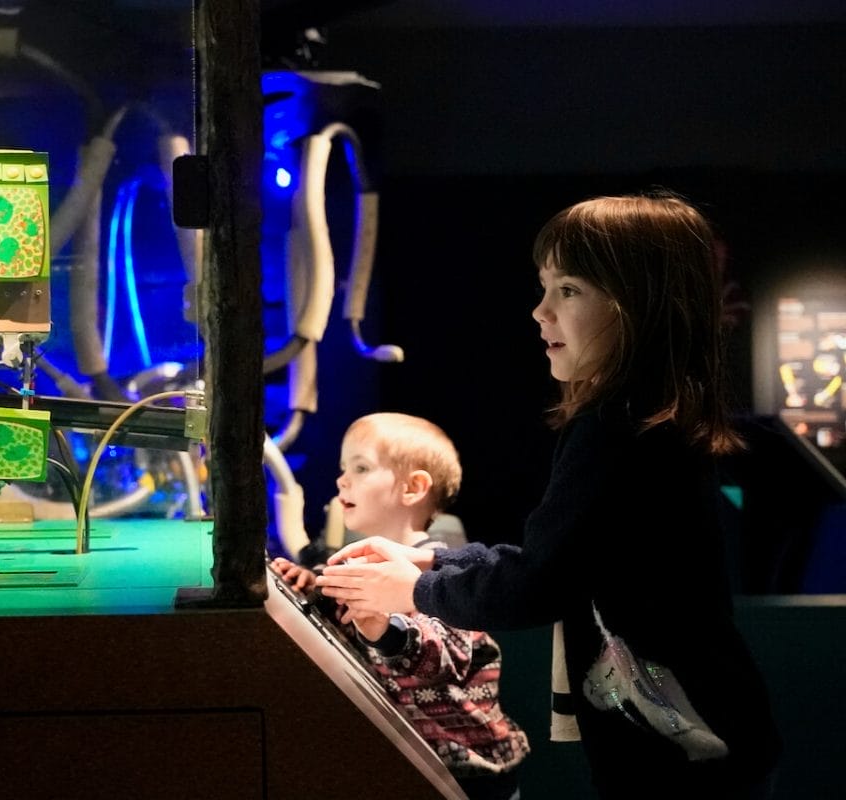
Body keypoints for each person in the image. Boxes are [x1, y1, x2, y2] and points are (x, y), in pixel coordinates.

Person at [315, 191, 782, 799]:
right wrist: (430, 559)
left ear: (640, 303)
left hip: (689, 757)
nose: (540, 312)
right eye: (544, 287)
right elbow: (564, 561)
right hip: (701, 744)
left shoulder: (618, 430)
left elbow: (540, 583)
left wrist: (413, 588)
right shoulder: (640, 423)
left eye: (568, 289)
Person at [272, 411, 529, 800]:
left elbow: (444, 655)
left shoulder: (446, 573)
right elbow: (342, 621)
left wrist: (381, 627)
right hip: (407, 762)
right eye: (343, 468)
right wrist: (309, 585)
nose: (342, 479)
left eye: (361, 467)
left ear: (413, 488)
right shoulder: (354, 561)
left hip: (468, 772)